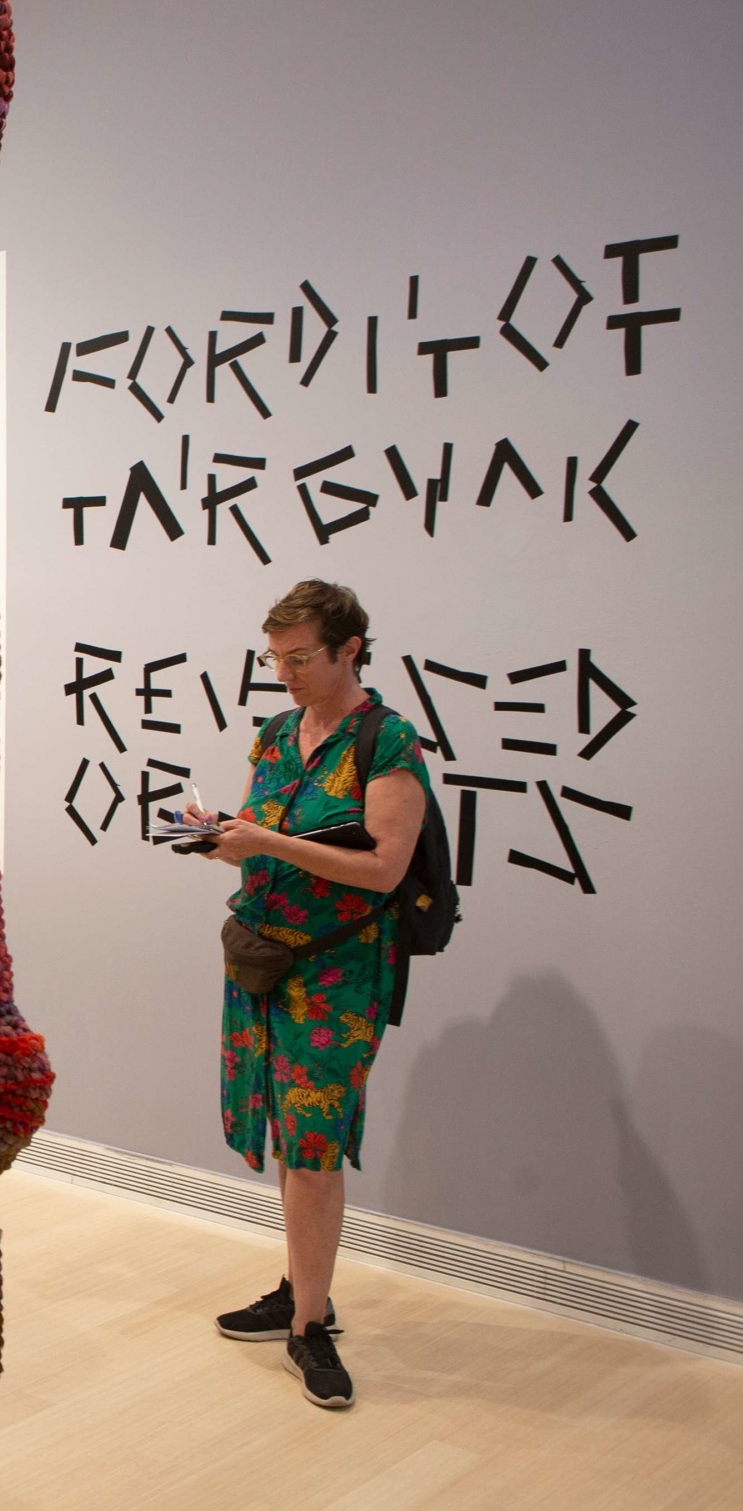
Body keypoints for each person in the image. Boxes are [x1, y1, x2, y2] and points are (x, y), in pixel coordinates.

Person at [184, 580, 430, 1412]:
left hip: (336, 974)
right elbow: (268, 835)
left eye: (299, 658)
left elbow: (384, 869)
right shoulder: (276, 734)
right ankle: (302, 1289)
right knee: (292, 1134)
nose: (284, 673)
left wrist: (267, 841)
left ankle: (310, 1326)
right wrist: (224, 838)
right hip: (263, 958)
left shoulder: (387, 741)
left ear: (349, 649)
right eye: (275, 658)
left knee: (316, 1148)